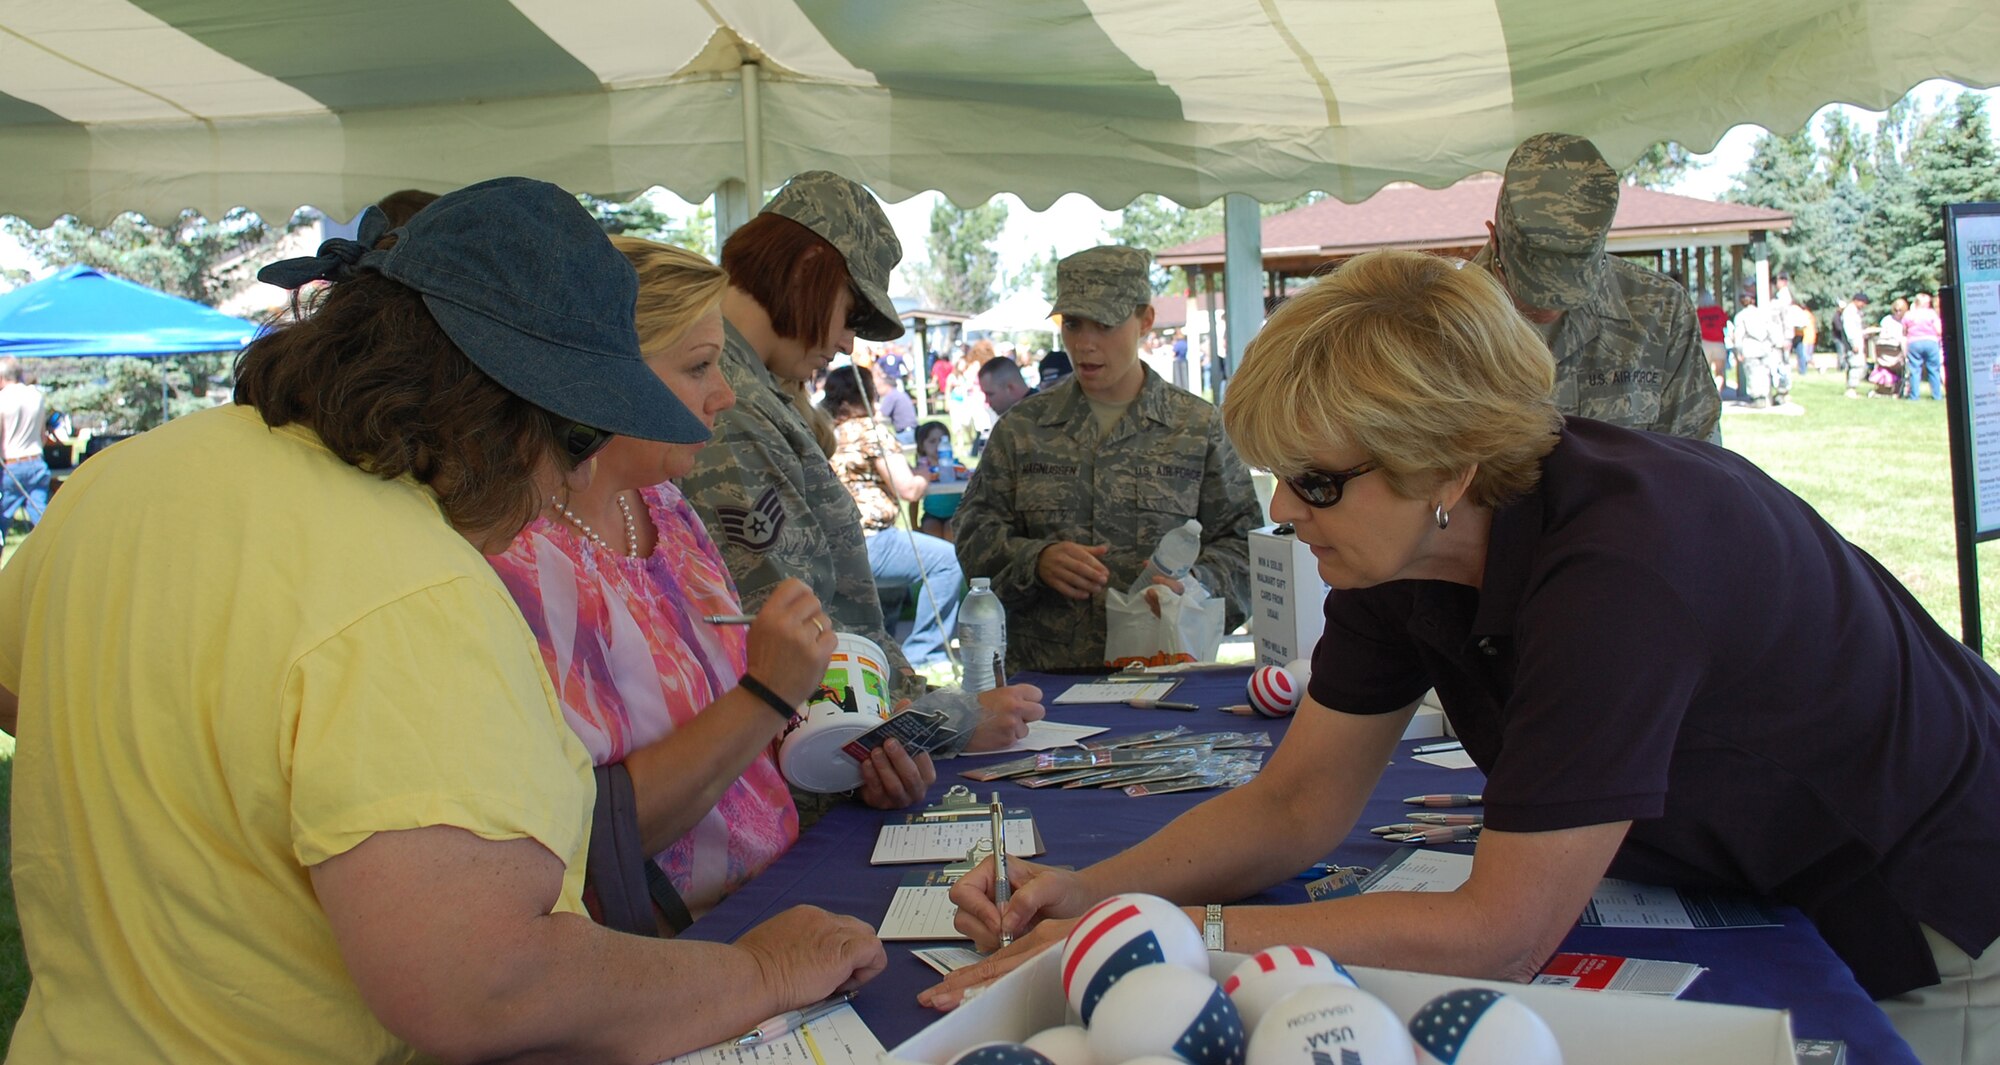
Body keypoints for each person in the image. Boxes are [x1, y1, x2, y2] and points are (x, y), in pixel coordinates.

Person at [927, 249, 2000, 1063]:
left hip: (1933, 901)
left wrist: (1161, 937)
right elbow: (1294, 805)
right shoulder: (1405, 547)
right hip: (1755, 873)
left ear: (1445, 459)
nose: (1284, 513)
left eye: (1315, 480)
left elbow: (1499, 933)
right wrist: (1088, 897)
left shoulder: (1624, 564)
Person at [0, 178, 885, 1062]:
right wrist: (759, 974)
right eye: (575, 440)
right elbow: (485, 982)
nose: (574, 482)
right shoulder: (419, 589)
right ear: (501, 408)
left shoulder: (123, 481)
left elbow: (18, 692)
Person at [487, 239, 932, 935]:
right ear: (603, 375)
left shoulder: (662, 504)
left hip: (774, 889)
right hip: (680, 947)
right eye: (699, 367)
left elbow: (737, 738)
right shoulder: (519, 560)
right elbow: (592, 832)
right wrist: (768, 693)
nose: (724, 393)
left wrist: (846, 753)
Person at [678, 171, 1042, 743]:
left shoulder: (752, 391)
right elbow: (791, 622)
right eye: (850, 313)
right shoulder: (733, 405)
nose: (848, 343)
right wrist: (942, 722)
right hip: (807, 751)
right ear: (806, 273)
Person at [953, 246, 1261, 671]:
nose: (1085, 343)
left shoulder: (1196, 427)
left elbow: (1247, 545)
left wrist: (1194, 586)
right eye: (1074, 324)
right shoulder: (1022, 429)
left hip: (1165, 676)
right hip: (1045, 686)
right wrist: (1035, 560)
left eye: (1105, 323)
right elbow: (972, 535)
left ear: (1145, 320)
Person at [1475, 132, 1721, 442]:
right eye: (1530, 288)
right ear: (1494, 238)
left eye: (1568, 288)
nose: (1549, 307)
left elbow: (1699, 459)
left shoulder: (1659, 312)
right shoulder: (1436, 320)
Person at [820, 365, 966, 669]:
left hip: (833, 544)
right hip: (872, 539)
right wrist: (924, 474)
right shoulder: (870, 431)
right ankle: (925, 654)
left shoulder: (824, 430)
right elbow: (908, 489)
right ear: (867, 394)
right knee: (947, 561)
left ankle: (884, 657)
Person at [0, 356, 51, 540]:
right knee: (42, 519)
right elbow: (43, 435)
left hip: (11, 466)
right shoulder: (36, 396)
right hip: (36, 461)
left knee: (2, 519)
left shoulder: (3, 399)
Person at [1731, 291, 1789, 408]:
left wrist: (1738, 350)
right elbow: (1771, 330)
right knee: (1765, 373)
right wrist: (1776, 343)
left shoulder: (1741, 316)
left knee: (1753, 373)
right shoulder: (1763, 314)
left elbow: (1738, 335)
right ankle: (1766, 395)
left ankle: (1758, 398)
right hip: (1765, 347)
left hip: (1750, 348)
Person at [914, 419, 961, 540]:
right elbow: (914, 500)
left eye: (942, 440)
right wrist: (914, 526)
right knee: (932, 534)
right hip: (932, 515)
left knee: (950, 531)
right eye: (932, 441)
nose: (938, 445)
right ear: (922, 445)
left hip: (955, 513)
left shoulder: (957, 467)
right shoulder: (922, 470)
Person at [1903, 291, 1946, 401]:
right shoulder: (1931, 313)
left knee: (1914, 370)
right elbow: (1939, 330)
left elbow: (1904, 331)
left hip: (1914, 343)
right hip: (1930, 342)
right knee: (1933, 369)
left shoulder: (1909, 314)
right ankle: (1937, 396)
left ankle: (1914, 396)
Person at [1839, 293, 1872, 397]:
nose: (1864, 305)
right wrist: (1854, 343)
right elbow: (1850, 329)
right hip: (1854, 343)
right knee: (1856, 365)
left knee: (1854, 365)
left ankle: (1851, 388)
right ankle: (1851, 389)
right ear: (1857, 301)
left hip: (1856, 341)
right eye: (1863, 303)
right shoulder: (1850, 312)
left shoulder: (1855, 312)